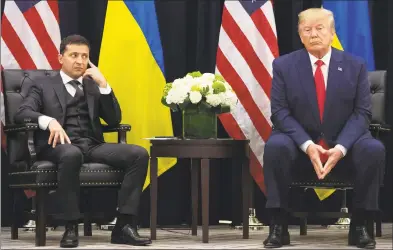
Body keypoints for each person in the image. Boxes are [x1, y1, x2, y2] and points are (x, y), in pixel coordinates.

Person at [262, 8, 384, 249]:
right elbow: (280, 113)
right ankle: (278, 225)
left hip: (344, 143)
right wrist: (308, 146)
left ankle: (360, 225)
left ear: (332, 33)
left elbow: (362, 113)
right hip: (299, 146)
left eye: (320, 29)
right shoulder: (283, 66)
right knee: (275, 145)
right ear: (300, 34)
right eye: (307, 29)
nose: (314, 34)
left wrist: (340, 148)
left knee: (373, 148)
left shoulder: (355, 66)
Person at [14, 34, 152, 248]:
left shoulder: (92, 85)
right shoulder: (41, 84)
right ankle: (70, 226)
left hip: (92, 144)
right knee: (71, 154)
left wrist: (104, 85)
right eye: (74, 55)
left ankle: (124, 226)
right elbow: (22, 113)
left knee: (138, 154)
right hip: (57, 146)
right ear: (61, 58)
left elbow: (114, 119)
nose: (80, 61)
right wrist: (48, 121)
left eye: (84, 56)